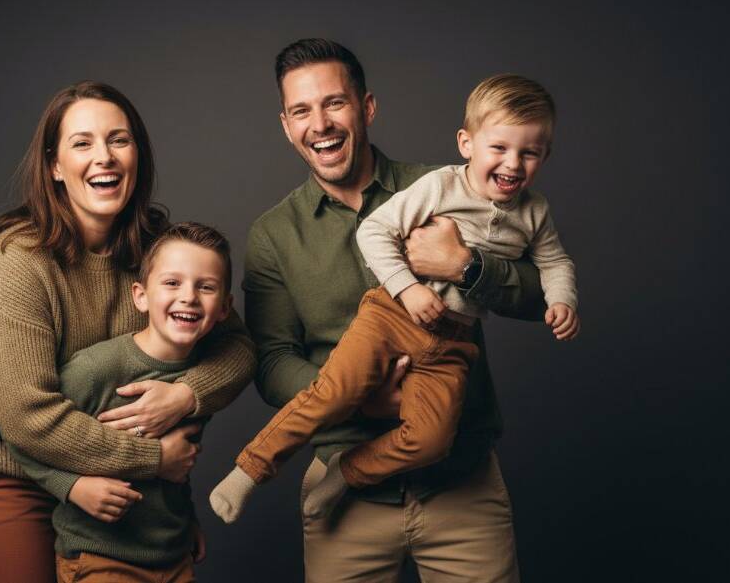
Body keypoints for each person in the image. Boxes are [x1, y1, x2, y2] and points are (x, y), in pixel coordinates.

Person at [232, 39, 549, 582]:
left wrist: (466, 266)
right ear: (286, 125)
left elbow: (543, 295)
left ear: (366, 107)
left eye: (335, 103)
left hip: (462, 487)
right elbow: (271, 360)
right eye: (302, 110)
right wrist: (357, 395)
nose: (321, 124)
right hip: (343, 501)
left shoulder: (453, 185)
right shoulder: (273, 235)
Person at [0, 81, 255, 583]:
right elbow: (27, 418)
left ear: (139, 155)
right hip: (10, 474)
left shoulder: (160, 252)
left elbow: (239, 349)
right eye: (82, 143)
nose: (104, 158)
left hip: (117, 484)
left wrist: (184, 397)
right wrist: (155, 459)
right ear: (54, 166)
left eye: (119, 140)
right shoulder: (20, 259)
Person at [7, 222, 235, 583]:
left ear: (224, 308)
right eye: (172, 283)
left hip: (173, 554)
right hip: (101, 555)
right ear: (140, 296)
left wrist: (185, 518)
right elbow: (22, 438)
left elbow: (179, 463)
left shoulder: (201, 376)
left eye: (205, 287)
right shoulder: (98, 368)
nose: (189, 297)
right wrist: (73, 486)